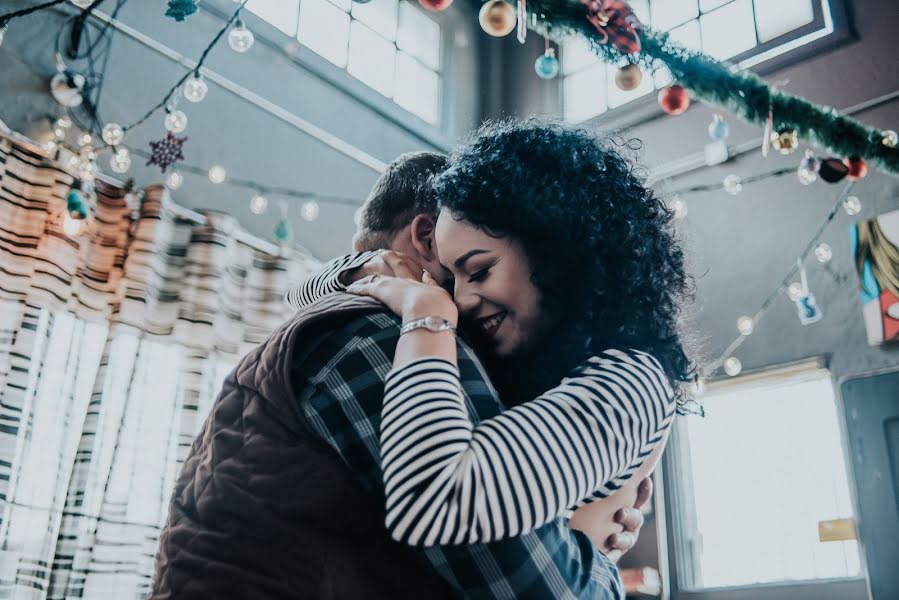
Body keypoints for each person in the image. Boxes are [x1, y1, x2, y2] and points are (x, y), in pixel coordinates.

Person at [152, 148, 642, 599]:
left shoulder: (338, 319)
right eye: (472, 262)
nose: (473, 298)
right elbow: (538, 585)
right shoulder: (387, 333)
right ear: (429, 237)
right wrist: (593, 553)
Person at [291, 120, 693, 551]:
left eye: (479, 271)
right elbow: (300, 293)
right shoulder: (526, 350)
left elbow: (436, 502)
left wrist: (427, 316)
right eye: (453, 277)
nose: (460, 300)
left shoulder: (634, 382)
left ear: (554, 247)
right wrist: (365, 269)